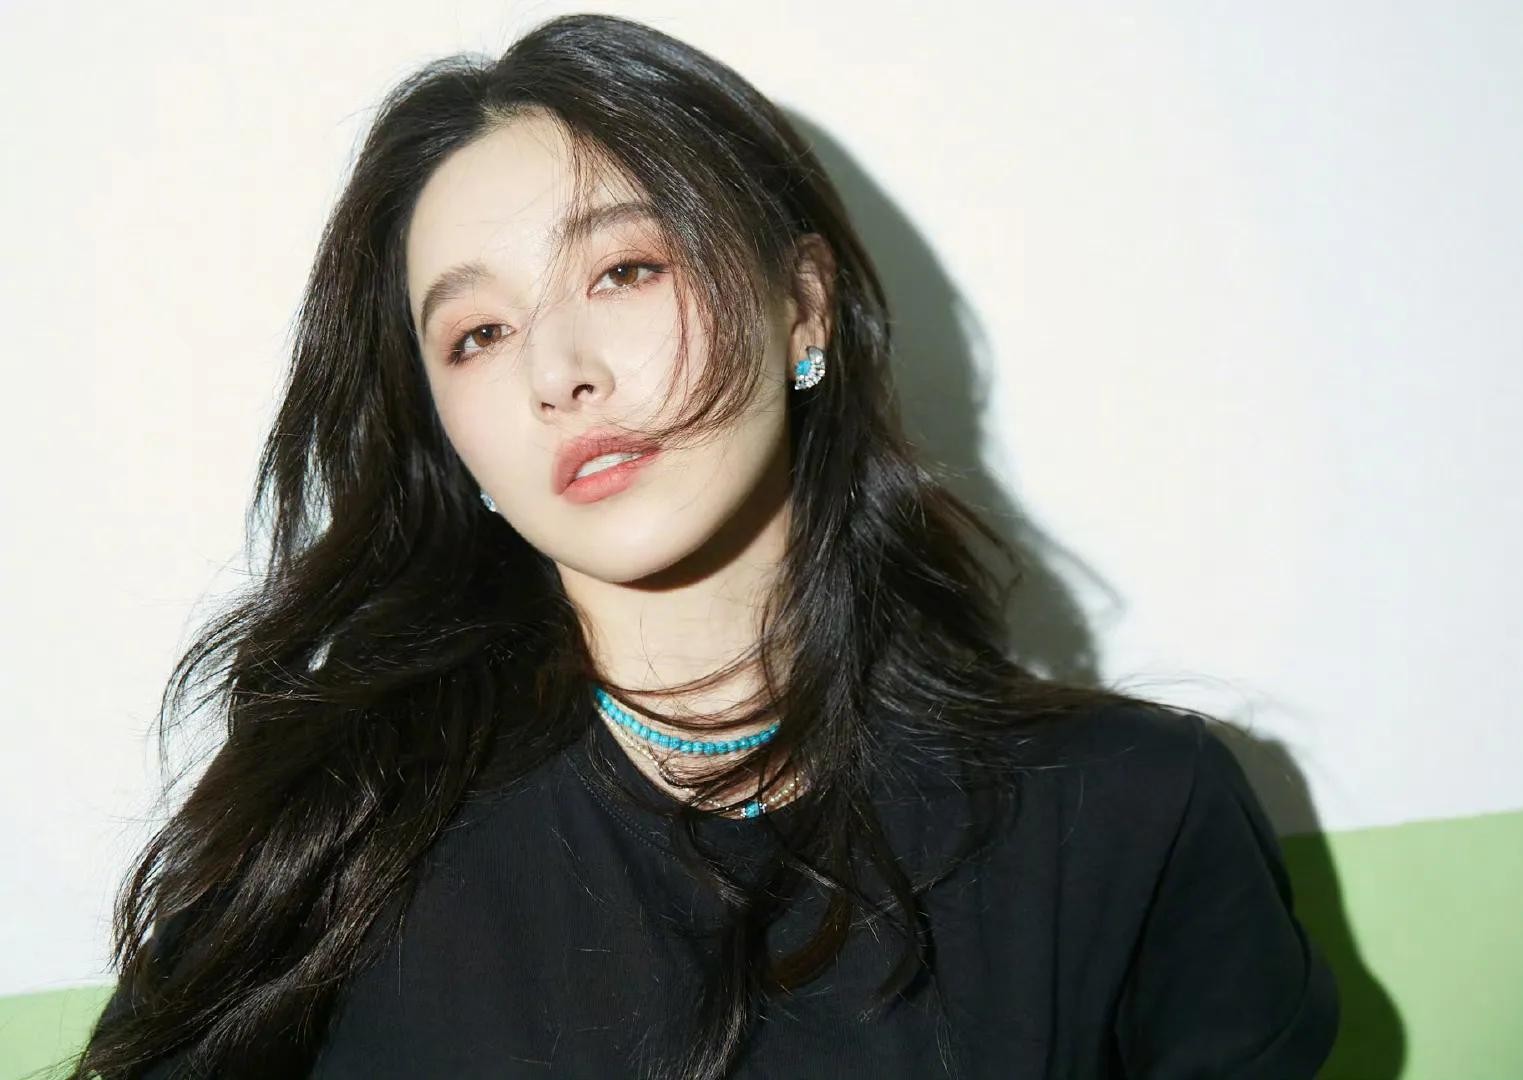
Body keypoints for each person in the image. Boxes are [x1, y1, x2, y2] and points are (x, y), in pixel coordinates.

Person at [71, 13, 1338, 1079]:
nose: (559, 372)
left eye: (624, 271)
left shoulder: (1133, 813)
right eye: (478, 336)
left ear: (803, 306)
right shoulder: (337, 824)